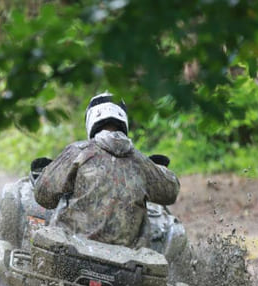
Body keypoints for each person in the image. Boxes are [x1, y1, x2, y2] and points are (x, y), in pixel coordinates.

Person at [33, 93, 180, 249]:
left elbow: (42, 195)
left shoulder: (78, 151)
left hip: (72, 250)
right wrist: (159, 170)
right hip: (127, 260)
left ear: (91, 120)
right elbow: (171, 192)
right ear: (124, 121)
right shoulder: (141, 161)